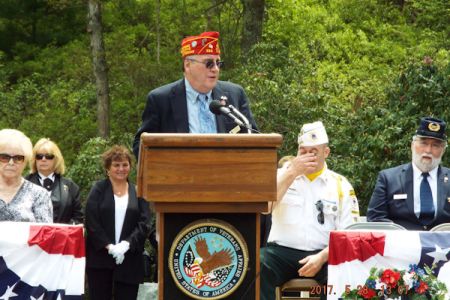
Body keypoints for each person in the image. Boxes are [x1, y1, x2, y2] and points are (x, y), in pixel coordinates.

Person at [260, 121, 360, 300]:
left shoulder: (340, 184)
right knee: (258, 264)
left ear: (326, 153)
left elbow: (349, 233)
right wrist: (291, 174)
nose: (308, 156)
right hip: (281, 252)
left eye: (313, 152)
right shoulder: (280, 176)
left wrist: (321, 257)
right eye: (303, 151)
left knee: (345, 273)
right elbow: (265, 208)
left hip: (324, 252)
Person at [132, 31, 258, 158]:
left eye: (218, 63)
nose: (215, 69)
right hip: (181, 175)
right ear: (188, 65)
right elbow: (141, 145)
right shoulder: (161, 99)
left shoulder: (234, 94)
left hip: (227, 174)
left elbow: (254, 136)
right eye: (209, 63)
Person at [85, 145, 150, 300]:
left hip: (130, 258)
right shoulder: (98, 190)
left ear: (130, 167)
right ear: (108, 168)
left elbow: (145, 222)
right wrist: (109, 246)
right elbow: (92, 222)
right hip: (100, 258)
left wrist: (126, 245)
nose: (121, 169)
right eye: (116, 165)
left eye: (125, 165)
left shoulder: (138, 191)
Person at [367, 117, 450, 230]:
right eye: (423, 143)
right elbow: (375, 219)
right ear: (412, 145)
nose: (428, 150)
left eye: (435, 145)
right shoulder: (389, 178)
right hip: (400, 245)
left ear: (443, 150)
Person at [0, 129, 53, 222]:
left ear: (25, 161)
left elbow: (45, 234)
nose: (11, 162)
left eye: (18, 158)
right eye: (4, 157)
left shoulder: (39, 194)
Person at [26, 138, 83, 224]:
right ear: (34, 159)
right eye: (39, 156)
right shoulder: (23, 184)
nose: (43, 159)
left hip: (62, 236)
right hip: (31, 236)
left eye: (49, 156)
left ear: (56, 159)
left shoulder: (71, 187)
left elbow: (78, 218)